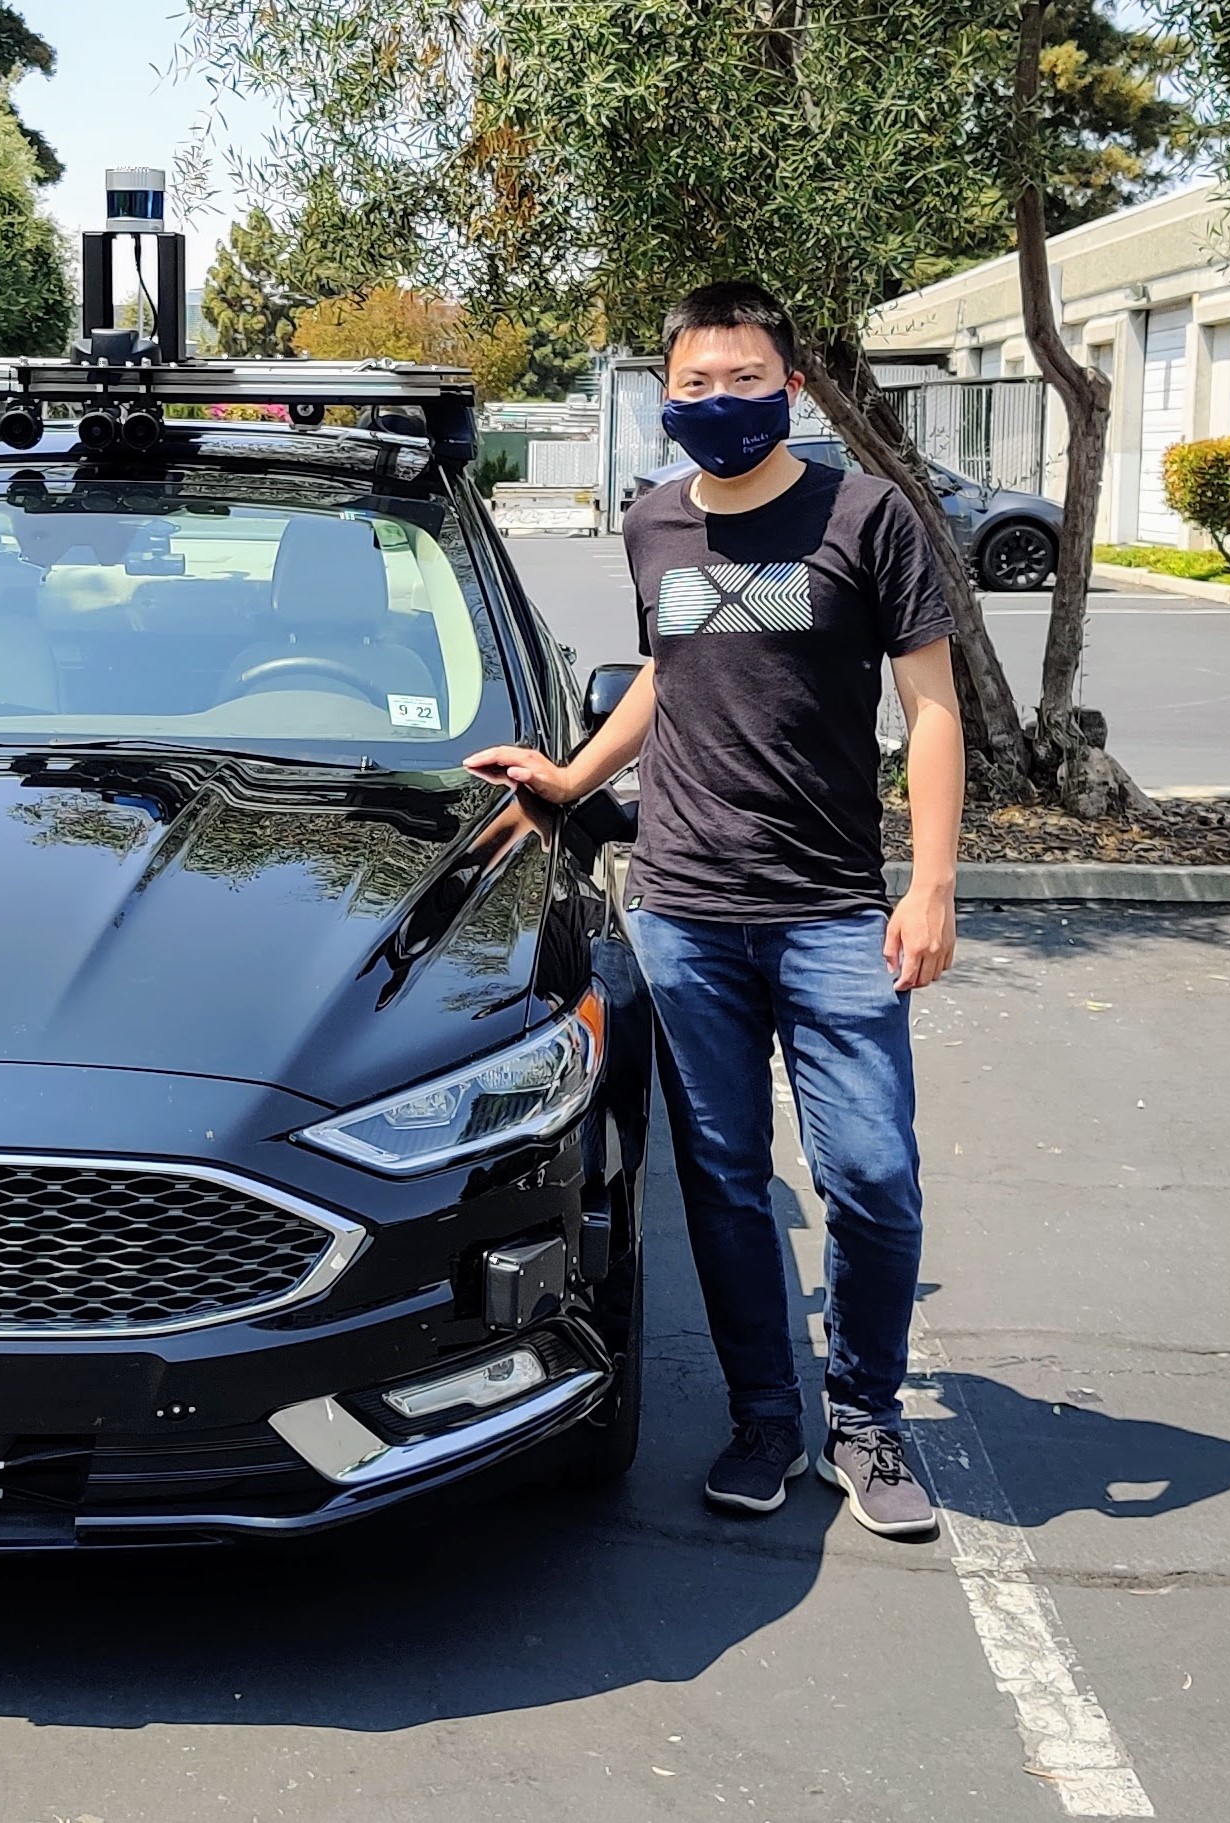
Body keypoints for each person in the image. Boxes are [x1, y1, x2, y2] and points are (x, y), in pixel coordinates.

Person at [467, 280, 963, 1538]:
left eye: (745, 381)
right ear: (666, 393)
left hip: (832, 910)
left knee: (873, 1176)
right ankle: (763, 1420)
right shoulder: (649, 522)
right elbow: (661, 675)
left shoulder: (865, 515)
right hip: (684, 910)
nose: (720, 403)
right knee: (728, 1183)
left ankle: (866, 1416)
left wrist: (931, 883)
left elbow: (933, 710)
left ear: (789, 389)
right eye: (695, 384)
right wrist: (573, 776)